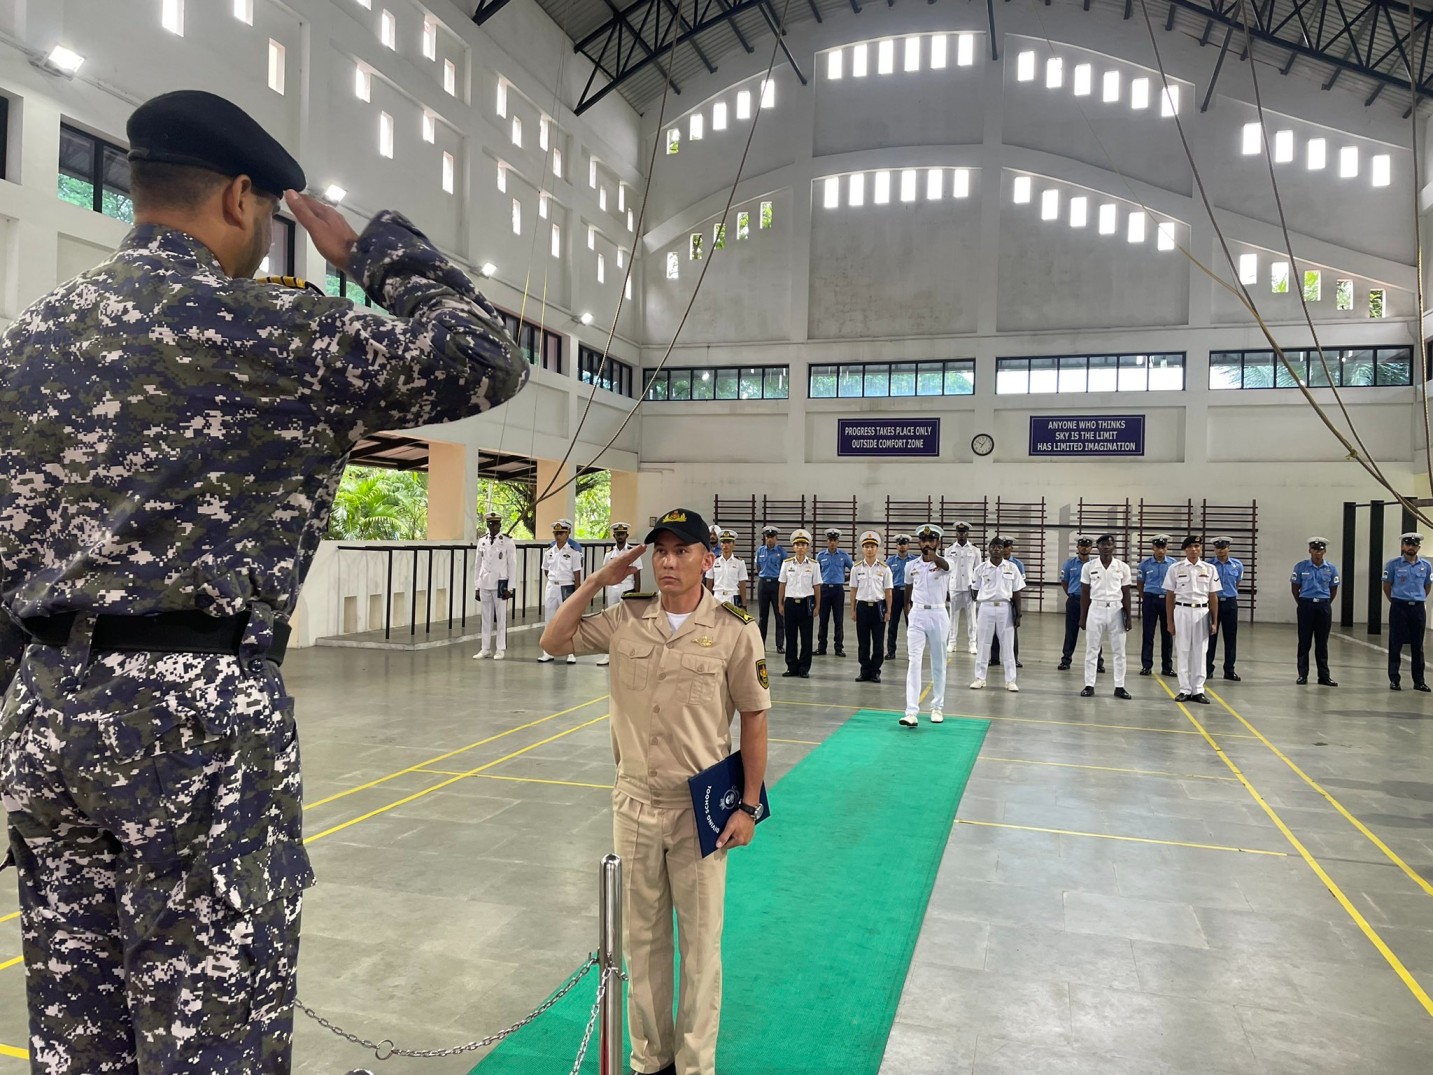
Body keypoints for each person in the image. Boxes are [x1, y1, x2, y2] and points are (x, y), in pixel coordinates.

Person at [0, 89, 529, 1073]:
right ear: (240, 198)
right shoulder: (267, 333)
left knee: (79, 1040)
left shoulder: (33, 338)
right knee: (212, 1041)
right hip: (197, 733)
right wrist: (373, 252)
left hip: (45, 729)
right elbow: (484, 358)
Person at [539, 507, 770, 1075]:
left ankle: (695, 1065)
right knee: (640, 947)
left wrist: (746, 806)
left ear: (707, 560)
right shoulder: (626, 619)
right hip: (635, 806)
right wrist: (598, 580)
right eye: (661, 552)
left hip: (700, 814)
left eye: (682, 550)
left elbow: (755, 718)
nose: (669, 562)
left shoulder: (735, 629)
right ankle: (650, 1060)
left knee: (699, 949)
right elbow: (555, 637)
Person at [901, 524, 951, 726]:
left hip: (938, 613)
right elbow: (907, 587)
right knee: (914, 662)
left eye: (931, 541)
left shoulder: (945, 563)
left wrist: (935, 558)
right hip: (918, 614)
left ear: (937, 543)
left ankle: (937, 706)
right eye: (923, 541)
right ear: (919, 543)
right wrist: (907, 609)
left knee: (938, 662)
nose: (927, 544)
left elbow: (947, 567)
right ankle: (911, 711)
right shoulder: (911, 565)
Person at [1164, 536, 1220, 703]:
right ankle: (1184, 689)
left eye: (1197, 546)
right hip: (1182, 610)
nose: (1194, 549)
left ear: (1201, 548)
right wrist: (1169, 622)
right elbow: (1169, 596)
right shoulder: (1175, 568)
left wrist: (1215, 621)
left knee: (1200, 651)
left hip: (1202, 611)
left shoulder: (1210, 569)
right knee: (1182, 650)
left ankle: (1198, 689)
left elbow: (1213, 596)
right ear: (1185, 550)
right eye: (1190, 547)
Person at [1079, 534, 1134, 700]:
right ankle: (1089, 684)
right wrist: (1083, 616)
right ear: (1098, 547)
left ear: (1114, 546)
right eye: (1103, 544)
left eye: (1109, 544)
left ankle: (1119, 686)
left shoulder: (1122, 567)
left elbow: (1126, 593)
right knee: (1092, 649)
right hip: (1096, 608)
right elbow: (1084, 593)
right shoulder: (1089, 567)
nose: (1106, 547)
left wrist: (1129, 616)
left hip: (1116, 609)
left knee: (1119, 651)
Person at [970, 537, 1024, 691]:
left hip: (1005, 607)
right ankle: (980, 678)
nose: (996, 549)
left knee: (1008, 644)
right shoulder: (980, 568)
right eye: (993, 547)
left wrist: (1018, 614)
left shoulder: (1012, 568)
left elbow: (1017, 591)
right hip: (986, 607)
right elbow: (974, 590)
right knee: (983, 644)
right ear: (988, 549)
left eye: (999, 547)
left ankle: (1010, 680)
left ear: (1004, 549)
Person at [1384, 532, 1432, 691]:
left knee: (1417, 645)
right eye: (1408, 544)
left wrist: (1417, 599)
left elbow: (1427, 586)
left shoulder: (1426, 566)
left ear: (1418, 547)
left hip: (1417, 608)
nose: (1411, 547)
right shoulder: (1393, 564)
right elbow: (1387, 586)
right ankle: (1394, 679)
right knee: (1395, 643)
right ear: (1402, 546)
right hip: (1399, 607)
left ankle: (1419, 681)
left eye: (1414, 545)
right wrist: (1396, 601)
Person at [1292, 537, 1340, 686]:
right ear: (1309, 550)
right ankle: (1302, 675)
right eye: (1314, 549)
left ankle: (1324, 676)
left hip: (1323, 606)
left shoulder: (1331, 568)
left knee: (1322, 643)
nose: (1317, 552)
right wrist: (1303, 603)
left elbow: (1333, 589)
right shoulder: (1301, 567)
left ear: (1324, 551)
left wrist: (1324, 602)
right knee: (1304, 642)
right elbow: (1295, 588)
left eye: (1320, 550)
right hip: (1306, 605)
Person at [849, 531, 894, 683]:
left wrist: (888, 611)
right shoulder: (856, 568)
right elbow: (853, 590)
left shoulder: (884, 569)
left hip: (878, 607)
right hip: (862, 607)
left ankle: (875, 671)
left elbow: (888, 592)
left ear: (877, 549)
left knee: (878, 641)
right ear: (862, 549)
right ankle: (864, 670)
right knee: (863, 642)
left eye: (872, 546)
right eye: (867, 546)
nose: (869, 549)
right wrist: (853, 610)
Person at [595, 522, 642, 667]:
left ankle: (628, 654)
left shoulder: (632, 552)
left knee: (627, 621)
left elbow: (638, 574)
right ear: (614, 535)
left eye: (622, 534)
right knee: (611, 620)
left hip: (627, 587)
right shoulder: (609, 554)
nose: (620, 536)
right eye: (617, 534)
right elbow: (604, 572)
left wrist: (637, 594)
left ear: (627, 535)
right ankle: (609, 654)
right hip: (612, 588)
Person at [473, 511, 517, 660]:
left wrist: (510, 588)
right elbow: (478, 565)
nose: (493, 526)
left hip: (500, 583)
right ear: (487, 524)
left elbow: (512, 565)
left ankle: (500, 648)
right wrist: (477, 587)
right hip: (485, 583)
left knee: (501, 617)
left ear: (500, 525)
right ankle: (485, 648)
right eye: (491, 524)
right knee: (485, 618)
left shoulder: (507, 542)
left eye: (496, 524)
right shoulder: (482, 541)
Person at [539, 518, 582, 663]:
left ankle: (571, 652)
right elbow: (546, 570)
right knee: (549, 619)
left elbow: (577, 575)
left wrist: (577, 595)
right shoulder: (549, 552)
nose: (558, 536)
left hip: (567, 586)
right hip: (552, 586)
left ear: (568, 533)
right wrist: (553, 581)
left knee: (568, 620)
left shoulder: (574, 552)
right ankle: (547, 651)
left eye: (561, 533)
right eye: (556, 533)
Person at [778, 529, 819, 678]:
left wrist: (817, 606)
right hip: (790, 603)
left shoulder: (814, 565)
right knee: (791, 637)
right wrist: (780, 604)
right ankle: (791, 666)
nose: (800, 547)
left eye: (803, 544)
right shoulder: (786, 564)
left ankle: (804, 668)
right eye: (797, 544)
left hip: (806, 603)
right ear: (793, 547)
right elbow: (782, 584)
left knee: (806, 638)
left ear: (807, 547)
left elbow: (817, 586)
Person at [1205, 537, 1244, 681]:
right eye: (1218, 547)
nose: (1221, 550)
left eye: (1224, 547)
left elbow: (1237, 583)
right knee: (1210, 637)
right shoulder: (1208, 565)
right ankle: (1208, 668)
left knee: (1230, 638)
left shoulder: (1237, 565)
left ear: (1229, 548)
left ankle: (1229, 669)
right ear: (1214, 549)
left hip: (1230, 603)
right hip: (1212, 603)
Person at [1137, 535, 1175, 676]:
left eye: (1163, 547)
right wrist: (1145, 597)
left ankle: (1167, 666)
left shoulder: (1173, 564)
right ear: (1153, 548)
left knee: (1168, 634)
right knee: (1148, 634)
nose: (1160, 550)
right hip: (1150, 600)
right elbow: (1140, 583)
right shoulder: (1145, 564)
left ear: (1166, 548)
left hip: (1167, 600)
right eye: (1157, 547)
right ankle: (1146, 665)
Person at [815, 528, 853, 657]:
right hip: (824, 589)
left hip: (837, 590)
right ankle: (821, 647)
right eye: (830, 540)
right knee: (823, 620)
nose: (832, 543)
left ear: (838, 542)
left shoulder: (843, 556)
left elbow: (853, 569)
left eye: (834, 540)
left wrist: (844, 579)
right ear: (827, 541)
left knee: (838, 620)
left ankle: (838, 648)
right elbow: (815, 573)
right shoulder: (820, 556)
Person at [1058, 536, 1094, 671]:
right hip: (1074, 601)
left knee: (1094, 632)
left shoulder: (1095, 564)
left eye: (1087, 545)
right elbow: (1064, 581)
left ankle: (1098, 662)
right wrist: (1072, 594)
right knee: (1071, 632)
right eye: (1082, 545)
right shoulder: (1069, 564)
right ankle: (1066, 660)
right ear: (1077, 547)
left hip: (1091, 602)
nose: (1084, 548)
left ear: (1091, 548)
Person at [944, 522, 980, 656]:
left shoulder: (975, 550)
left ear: (967, 533)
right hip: (954, 586)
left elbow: (978, 570)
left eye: (963, 532)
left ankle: (972, 644)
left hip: (969, 586)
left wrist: (977, 587)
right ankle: (952, 643)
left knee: (972, 618)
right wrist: (946, 589)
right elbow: (946, 570)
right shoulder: (949, 550)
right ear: (956, 533)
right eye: (959, 532)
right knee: (952, 616)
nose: (961, 535)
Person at [989, 537, 1024, 669]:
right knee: (993, 632)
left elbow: (1018, 588)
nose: (1005, 549)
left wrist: (1019, 613)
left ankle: (1014, 659)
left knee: (1011, 634)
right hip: (993, 602)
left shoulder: (1016, 565)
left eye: (1007, 546)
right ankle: (994, 658)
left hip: (1009, 602)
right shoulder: (989, 564)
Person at [754, 524, 786, 653]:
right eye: (768, 537)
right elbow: (758, 567)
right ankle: (761, 644)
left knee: (779, 614)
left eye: (772, 537)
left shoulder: (781, 552)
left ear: (776, 538)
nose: (770, 539)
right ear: (765, 538)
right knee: (763, 616)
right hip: (763, 584)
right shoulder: (760, 551)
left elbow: (784, 570)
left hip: (776, 584)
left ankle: (779, 645)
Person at [885, 535, 916, 660]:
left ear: (908, 546)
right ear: (896, 546)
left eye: (904, 544)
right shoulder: (890, 561)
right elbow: (886, 581)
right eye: (900, 544)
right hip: (895, 593)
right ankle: (891, 651)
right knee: (893, 624)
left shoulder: (914, 561)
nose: (902, 546)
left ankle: (912, 652)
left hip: (911, 593)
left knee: (912, 624)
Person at [706, 529, 749, 607]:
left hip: (733, 597)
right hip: (717, 597)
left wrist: (744, 605)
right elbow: (709, 583)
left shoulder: (739, 562)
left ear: (733, 544)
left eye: (728, 542)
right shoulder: (714, 561)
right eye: (723, 542)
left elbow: (742, 584)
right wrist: (707, 602)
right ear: (720, 544)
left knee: (731, 619)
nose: (726, 545)